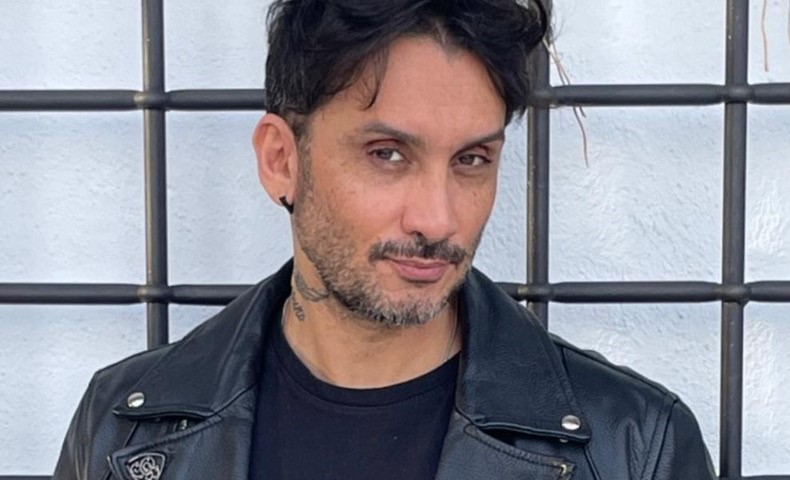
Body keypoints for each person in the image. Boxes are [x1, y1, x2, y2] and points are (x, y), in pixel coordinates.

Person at [54, 1, 717, 479]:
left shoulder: (634, 448)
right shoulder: (119, 425)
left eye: (472, 160)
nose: (437, 220)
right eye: (388, 154)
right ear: (282, 160)